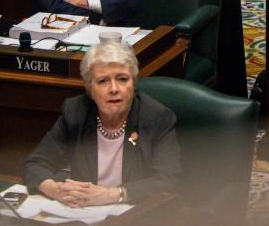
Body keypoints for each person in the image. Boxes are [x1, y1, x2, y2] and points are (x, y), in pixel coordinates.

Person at [23, 41, 179, 206]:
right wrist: (56, 190)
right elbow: (35, 164)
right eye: (103, 81)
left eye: (122, 79)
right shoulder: (76, 112)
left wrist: (113, 195)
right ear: (90, 88)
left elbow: (168, 180)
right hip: (83, 215)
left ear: (133, 83)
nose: (114, 89)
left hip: (136, 216)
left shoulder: (156, 118)